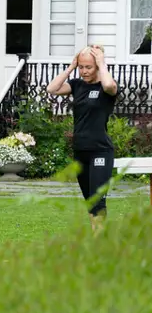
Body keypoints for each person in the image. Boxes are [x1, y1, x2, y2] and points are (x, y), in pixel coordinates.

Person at [47, 44, 119, 230]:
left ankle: (99, 242)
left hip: (100, 151)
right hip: (81, 152)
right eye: (82, 67)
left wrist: (102, 63)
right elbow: (52, 89)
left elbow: (110, 85)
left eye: (89, 67)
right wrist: (71, 66)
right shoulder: (76, 85)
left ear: (97, 67)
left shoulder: (106, 88)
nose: (84, 71)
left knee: (97, 199)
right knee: (90, 201)